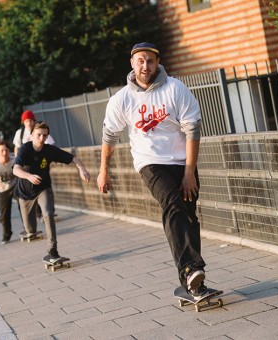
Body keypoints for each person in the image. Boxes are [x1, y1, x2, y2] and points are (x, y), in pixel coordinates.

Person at [97, 42, 210, 298]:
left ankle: (195, 282)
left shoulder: (175, 88)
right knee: (172, 203)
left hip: (182, 162)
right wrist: (104, 170)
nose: (145, 66)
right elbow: (110, 137)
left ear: (157, 62)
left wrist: (189, 172)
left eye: (150, 61)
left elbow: (193, 130)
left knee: (189, 214)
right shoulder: (122, 99)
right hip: (150, 162)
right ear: (132, 63)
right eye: (140, 61)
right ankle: (190, 269)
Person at [13, 121, 91, 262]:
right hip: (25, 192)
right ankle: (31, 230)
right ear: (31, 135)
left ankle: (53, 251)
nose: (41, 139)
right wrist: (29, 176)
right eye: (38, 135)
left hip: (43, 188)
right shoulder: (25, 149)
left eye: (44, 135)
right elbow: (15, 169)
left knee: (48, 214)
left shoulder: (49, 150)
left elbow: (72, 158)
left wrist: (82, 169)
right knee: (30, 230)